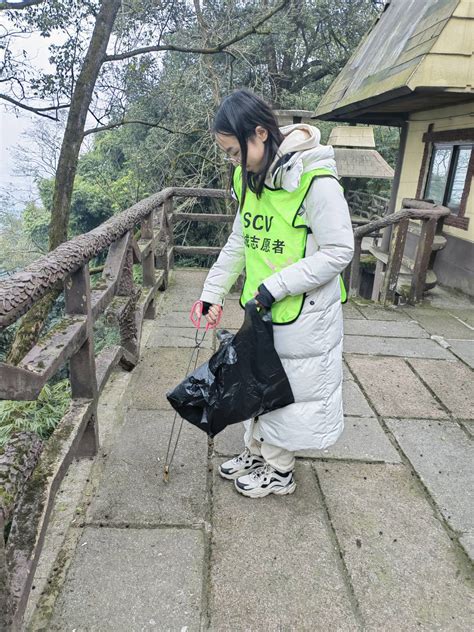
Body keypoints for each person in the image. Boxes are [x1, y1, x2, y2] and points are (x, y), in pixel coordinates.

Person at [196, 89, 354, 498]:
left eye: (234, 151)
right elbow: (241, 238)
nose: (231, 160)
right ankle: (256, 452)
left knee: (285, 392)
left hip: (303, 311)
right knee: (256, 383)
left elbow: (340, 250)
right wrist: (212, 292)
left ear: (260, 134)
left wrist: (275, 286)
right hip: (262, 306)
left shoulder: (315, 181)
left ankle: (279, 471)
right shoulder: (250, 177)